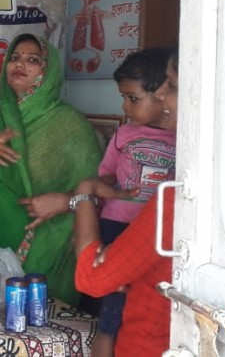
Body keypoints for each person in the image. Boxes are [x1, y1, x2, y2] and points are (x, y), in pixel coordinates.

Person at [0, 33, 102, 305]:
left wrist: (65, 201)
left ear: (48, 71)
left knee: (42, 320)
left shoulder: (71, 126)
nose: (20, 64)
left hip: (50, 246)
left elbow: (100, 193)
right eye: (15, 58)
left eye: (33, 60)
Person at [72, 51, 179, 356]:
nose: (125, 106)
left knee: (123, 304)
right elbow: (105, 175)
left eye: (170, 87)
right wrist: (103, 191)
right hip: (116, 226)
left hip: (151, 236)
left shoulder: (187, 145)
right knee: (108, 310)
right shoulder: (125, 135)